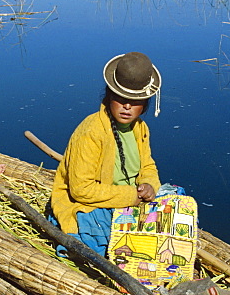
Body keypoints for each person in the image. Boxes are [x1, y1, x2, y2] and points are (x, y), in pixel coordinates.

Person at [50, 52, 162, 256]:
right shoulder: (91, 131)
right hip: (91, 205)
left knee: (176, 199)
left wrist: (149, 186)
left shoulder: (140, 129)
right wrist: (131, 196)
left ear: (145, 104)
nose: (127, 106)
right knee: (104, 240)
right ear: (109, 96)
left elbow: (147, 166)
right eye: (121, 99)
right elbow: (81, 190)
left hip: (130, 199)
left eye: (135, 101)